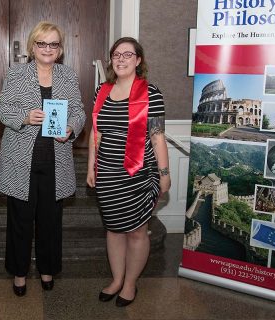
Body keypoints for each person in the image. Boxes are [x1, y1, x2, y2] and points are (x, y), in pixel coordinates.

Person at [0, 21, 85, 297]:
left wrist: (71, 128)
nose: (47, 49)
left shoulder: (68, 76)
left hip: (55, 163)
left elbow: (79, 110)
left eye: (53, 44)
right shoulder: (17, 74)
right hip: (20, 163)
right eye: (42, 43)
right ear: (33, 47)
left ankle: (47, 270)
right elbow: (1, 108)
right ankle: (19, 273)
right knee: (20, 222)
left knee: (50, 222)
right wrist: (23, 118)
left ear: (60, 49)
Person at [86, 37, 171, 307]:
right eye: (116, 54)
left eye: (127, 54)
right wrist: (91, 166)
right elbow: (95, 132)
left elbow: (157, 136)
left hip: (139, 175)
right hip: (108, 175)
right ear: (111, 60)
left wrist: (164, 173)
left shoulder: (150, 93)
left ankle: (130, 283)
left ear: (138, 60)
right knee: (113, 229)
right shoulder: (101, 90)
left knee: (136, 231)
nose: (121, 59)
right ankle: (116, 279)